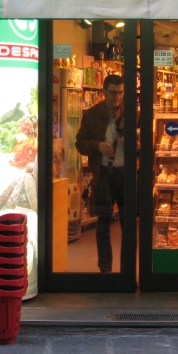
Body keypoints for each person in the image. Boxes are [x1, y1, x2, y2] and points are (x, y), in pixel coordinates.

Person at [75, 74, 125, 273]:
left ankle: (126, 271)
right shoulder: (91, 115)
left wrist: (135, 143)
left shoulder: (131, 113)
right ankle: (105, 271)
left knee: (128, 226)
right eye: (113, 93)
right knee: (103, 225)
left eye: (120, 93)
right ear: (103, 92)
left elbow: (144, 143)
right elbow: (80, 143)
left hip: (125, 175)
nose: (117, 97)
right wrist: (98, 146)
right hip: (102, 175)